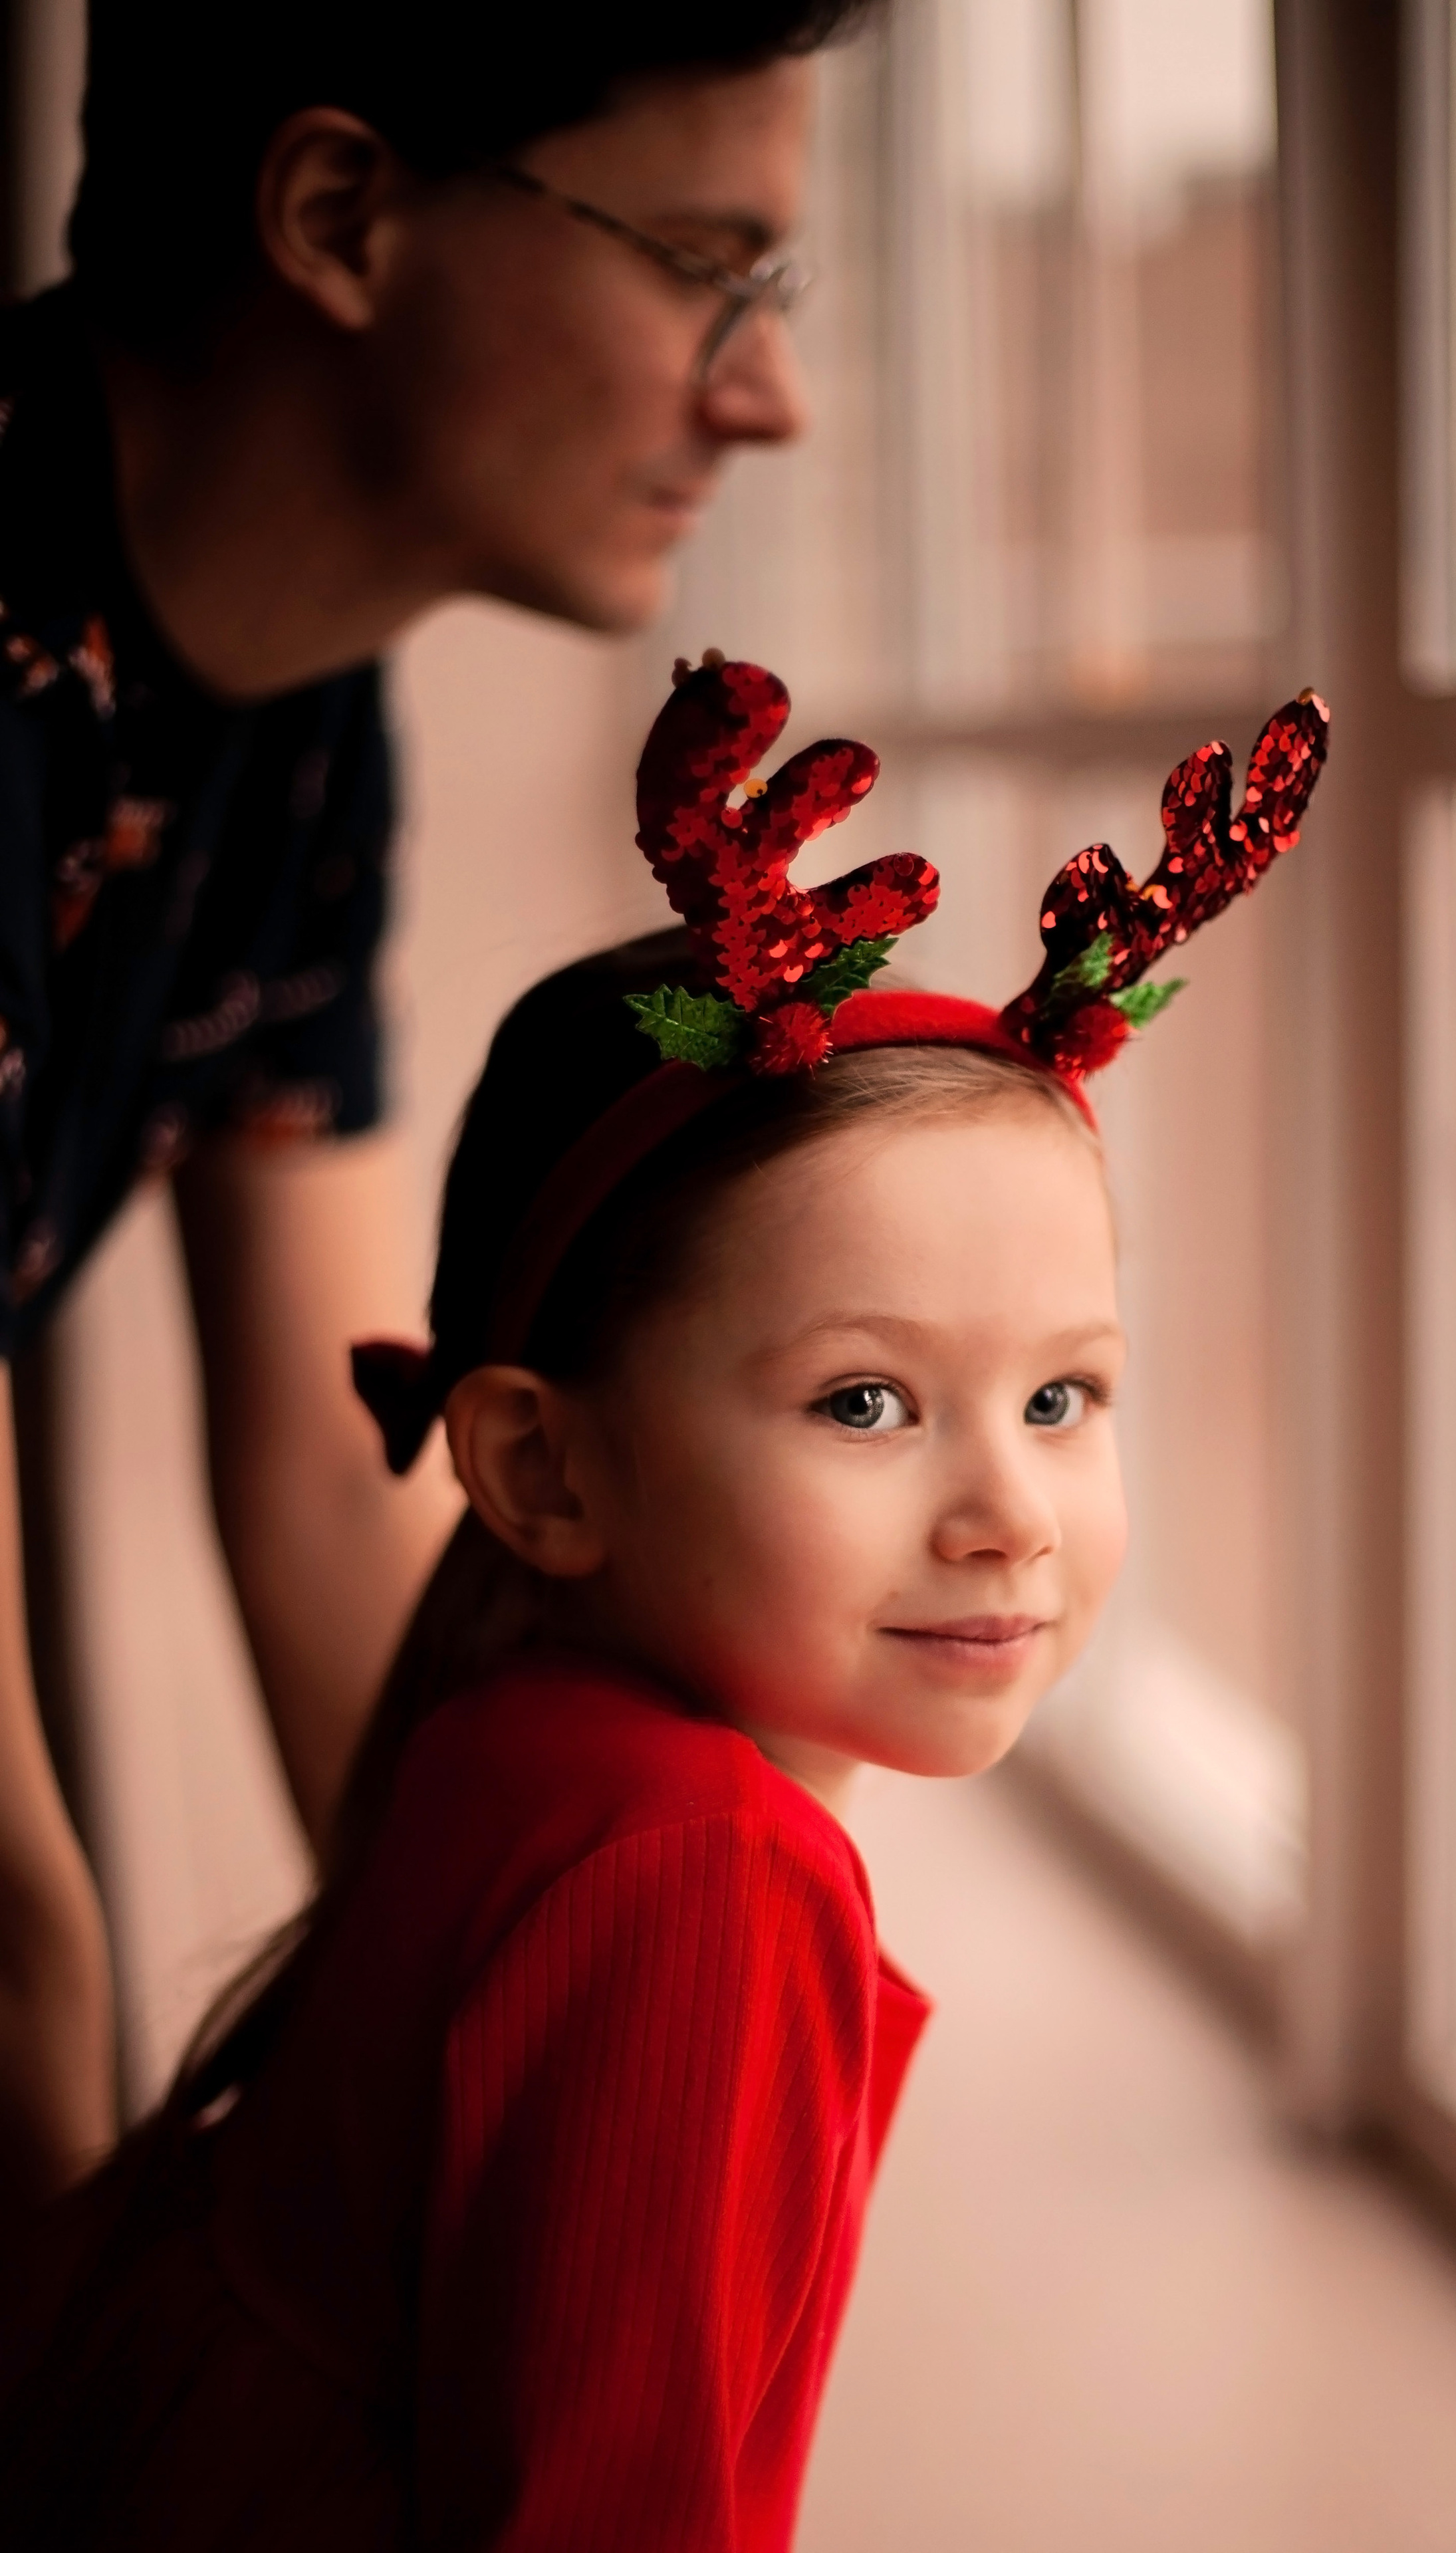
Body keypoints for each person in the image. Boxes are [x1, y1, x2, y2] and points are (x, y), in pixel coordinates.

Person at [0, 658, 1327, 2549]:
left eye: (1061, 1399)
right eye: (865, 1403)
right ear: (546, 1471)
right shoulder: (709, 1875)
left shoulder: (519, 1720)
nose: (1008, 1518)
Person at [0, 0, 868, 2218]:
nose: (770, 395)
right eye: (703, 265)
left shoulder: (289, 703)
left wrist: (537, 2104)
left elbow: (332, 1455)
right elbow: (10, 1931)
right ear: (339, 216)